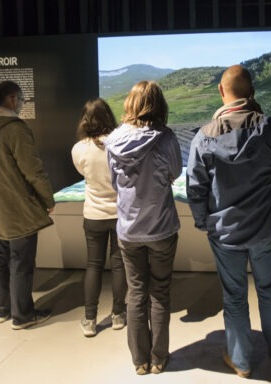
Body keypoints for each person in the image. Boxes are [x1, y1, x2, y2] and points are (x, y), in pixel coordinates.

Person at [186, 65, 271, 379]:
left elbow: (195, 187)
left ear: (222, 91)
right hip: (265, 227)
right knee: (269, 290)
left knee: (234, 297)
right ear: (252, 92)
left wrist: (202, 221)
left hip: (224, 233)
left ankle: (242, 361)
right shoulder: (269, 127)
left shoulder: (203, 137)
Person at [105, 81, 182, 375]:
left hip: (128, 229)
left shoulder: (114, 140)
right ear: (159, 104)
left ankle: (140, 361)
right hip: (162, 226)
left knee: (136, 293)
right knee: (160, 293)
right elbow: (175, 172)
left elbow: (115, 183)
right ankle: (159, 358)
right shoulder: (167, 138)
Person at [0, 80, 55, 329]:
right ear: (11, 100)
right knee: (21, 262)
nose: (21, 105)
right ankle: (23, 316)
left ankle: (0, 309)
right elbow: (33, 169)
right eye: (22, 100)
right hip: (16, 206)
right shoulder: (14, 128)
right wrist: (47, 199)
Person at [71, 98, 127, 337]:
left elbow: (83, 173)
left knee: (93, 265)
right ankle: (117, 315)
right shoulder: (120, 145)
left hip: (93, 214)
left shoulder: (78, 149)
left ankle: (90, 319)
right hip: (119, 214)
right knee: (118, 264)